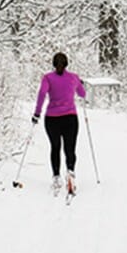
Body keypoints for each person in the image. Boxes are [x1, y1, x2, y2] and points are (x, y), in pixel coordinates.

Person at [33, 52, 86, 196]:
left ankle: (56, 177)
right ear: (67, 64)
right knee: (70, 148)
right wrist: (80, 84)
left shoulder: (47, 78)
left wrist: (37, 113)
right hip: (70, 118)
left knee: (55, 147)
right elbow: (82, 94)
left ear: (53, 64)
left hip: (52, 119)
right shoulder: (74, 77)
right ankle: (70, 172)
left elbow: (42, 94)